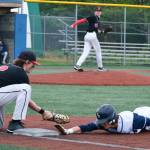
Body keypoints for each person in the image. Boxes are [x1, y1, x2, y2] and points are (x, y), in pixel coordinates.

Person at [0, 50, 69, 133]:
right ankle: (15, 123)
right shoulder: (21, 73)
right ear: (27, 62)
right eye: (33, 65)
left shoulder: (9, 68)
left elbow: (24, 98)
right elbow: (26, 98)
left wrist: (42, 112)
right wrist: (42, 112)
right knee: (25, 88)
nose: (33, 67)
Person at [55, 104, 150, 135]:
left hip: (145, 113)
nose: (101, 124)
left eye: (104, 122)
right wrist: (68, 131)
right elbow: (86, 127)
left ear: (112, 120)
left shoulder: (134, 121)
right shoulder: (104, 123)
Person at [71, 7, 107, 72]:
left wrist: (103, 31)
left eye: (99, 11)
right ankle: (100, 68)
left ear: (101, 12)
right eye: (97, 11)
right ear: (95, 12)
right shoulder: (94, 17)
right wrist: (74, 24)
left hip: (87, 36)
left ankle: (77, 65)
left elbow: (96, 29)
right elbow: (83, 20)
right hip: (92, 35)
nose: (98, 12)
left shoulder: (95, 18)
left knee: (85, 52)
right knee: (98, 51)